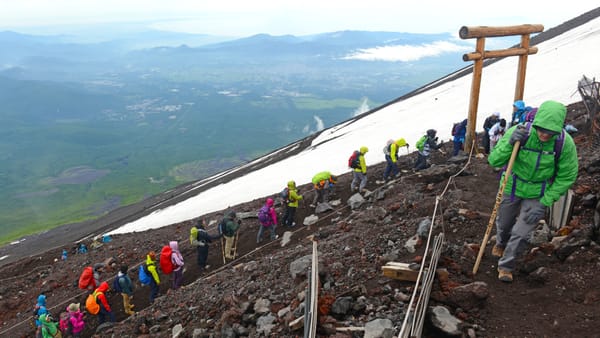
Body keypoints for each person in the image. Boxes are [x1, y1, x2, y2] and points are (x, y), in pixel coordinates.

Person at [488, 100, 578, 283]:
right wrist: (510, 143)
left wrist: (545, 202)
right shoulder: (520, 133)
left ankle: (506, 265)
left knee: (521, 233)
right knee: (504, 224)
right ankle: (501, 243)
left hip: (538, 193)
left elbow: (567, 176)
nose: (545, 134)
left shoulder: (564, 143)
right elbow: (494, 161)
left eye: (550, 131)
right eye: (541, 129)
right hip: (512, 186)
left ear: (558, 129)